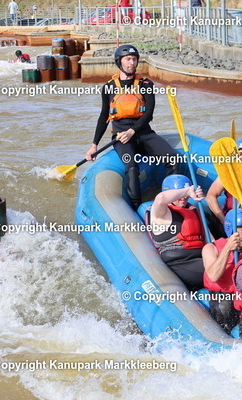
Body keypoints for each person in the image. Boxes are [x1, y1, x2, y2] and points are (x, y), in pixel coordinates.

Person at [85, 44, 178, 210]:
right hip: (121, 137)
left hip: (143, 132)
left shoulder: (145, 84)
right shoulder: (109, 87)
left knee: (173, 159)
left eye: (134, 59)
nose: (132, 63)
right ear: (119, 62)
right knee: (132, 166)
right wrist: (94, 145)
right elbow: (104, 116)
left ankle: (172, 201)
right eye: (128, 59)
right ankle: (137, 209)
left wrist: (132, 131)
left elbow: (148, 113)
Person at [150, 174, 206, 292]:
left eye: (186, 195)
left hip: (201, 258)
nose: (184, 198)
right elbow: (160, 199)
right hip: (180, 263)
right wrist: (187, 191)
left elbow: (211, 240)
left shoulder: (193, 210)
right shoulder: (161, 213)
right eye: (180, 194)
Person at [202, 208, 242, 333]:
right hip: (223, 297)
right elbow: (213, 276)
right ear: (231, 230)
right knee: (224, 306)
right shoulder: (211, 248)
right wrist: (227, 249)